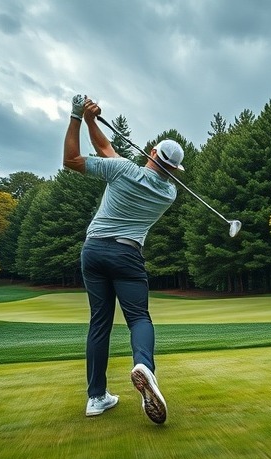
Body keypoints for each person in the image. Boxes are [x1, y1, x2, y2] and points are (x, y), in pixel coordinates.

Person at [62, 94, 183, 424]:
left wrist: (76, 116)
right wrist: (91, 121)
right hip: (127, 254)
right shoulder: (168, 193)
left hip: (94, 250)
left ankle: (96, 398)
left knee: (99, 323)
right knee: (139, 318)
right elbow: (107, 151)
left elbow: (72, 160)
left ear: (153, 153)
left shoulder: (122, 171)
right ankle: (145, 365)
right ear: (173, 170)